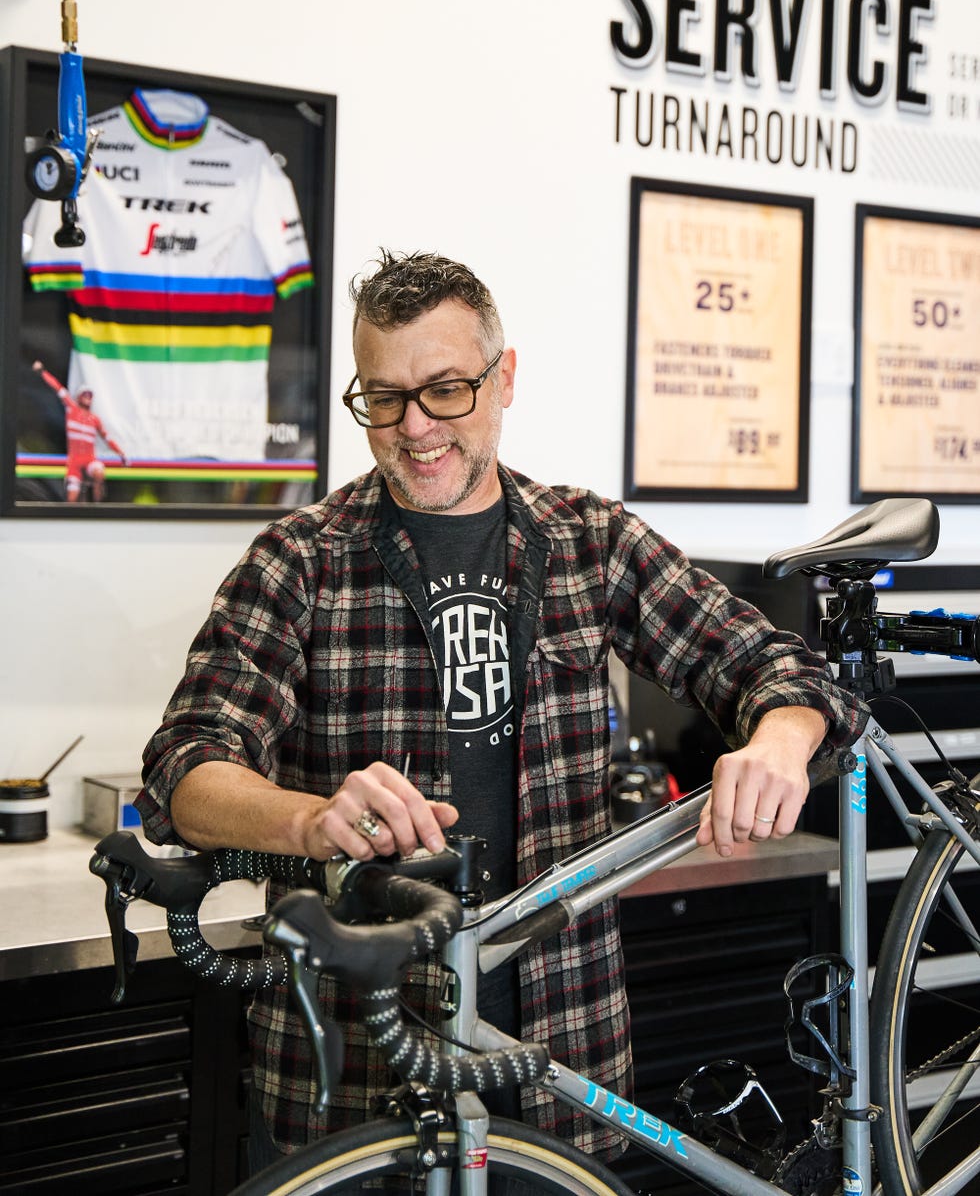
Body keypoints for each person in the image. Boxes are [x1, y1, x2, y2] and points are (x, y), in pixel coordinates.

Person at [136, 250, 864, 1174]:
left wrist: (780, 741)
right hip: (359, 1060)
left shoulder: (588, 542)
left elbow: (778, 668)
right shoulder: (300, 560)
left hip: (560, 1047)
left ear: (505, 376)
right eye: (383, 398)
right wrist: (309, 819)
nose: (414, 427)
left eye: (445, 389)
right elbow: (185, 767)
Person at [32, 361, 127, 502]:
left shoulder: (95, 419)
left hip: (89, 459)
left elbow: (107, 439)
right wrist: (42, 372)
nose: (88, 397)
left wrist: (120, 453)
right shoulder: (72, 409)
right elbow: (58, 388)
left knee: (98, 473)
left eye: (90, 395)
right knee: (72, 498)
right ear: (79, 396)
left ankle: (98, 508)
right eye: (85, 394)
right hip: (75, 462)